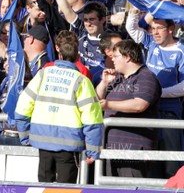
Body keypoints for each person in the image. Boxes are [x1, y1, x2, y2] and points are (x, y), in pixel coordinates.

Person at [15, 30, 104, 183]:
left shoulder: (43, 74)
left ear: (58, 52)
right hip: (69, 144)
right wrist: (93, 149)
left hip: (42, 140)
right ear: (78, 55)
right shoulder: (82, 81)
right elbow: (92, 119)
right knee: (65, 188)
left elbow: (23, 106)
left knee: (43, 185)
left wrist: (24, 135)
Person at [125, 15, 184, 177]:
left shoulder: (181, 51)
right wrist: (136, 10)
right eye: (153, 28)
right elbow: (131, 28)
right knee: (150, 158)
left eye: (159, 28)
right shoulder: (151, 42)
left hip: (169, 112)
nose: (155, 32)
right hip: (148, 110)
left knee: (171, 160)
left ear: (171, 29)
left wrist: (157, 93)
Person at [96, 40, 161, 178]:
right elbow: (96, 100)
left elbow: (139, 105)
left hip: (134, 150)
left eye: (115, 56)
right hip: (111, 149)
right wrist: (104, 82)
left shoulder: (146, 77)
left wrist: (109, 105)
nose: (111, 59)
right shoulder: (116, 78)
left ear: (127, 57)